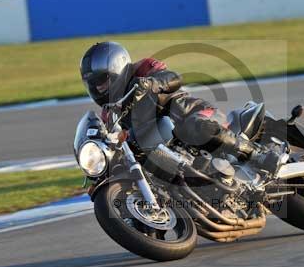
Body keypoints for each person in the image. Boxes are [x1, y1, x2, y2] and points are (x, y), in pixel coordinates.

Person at [79, 41, 281, 172]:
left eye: (102, 80)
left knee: (196, 127)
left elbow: (174, 78)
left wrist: (152, 84)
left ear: (117, 68)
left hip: (192, 113)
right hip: (163, 149)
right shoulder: (109, 113)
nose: (99, 87)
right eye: (94, 83)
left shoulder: (142, 69)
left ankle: (257, 155)